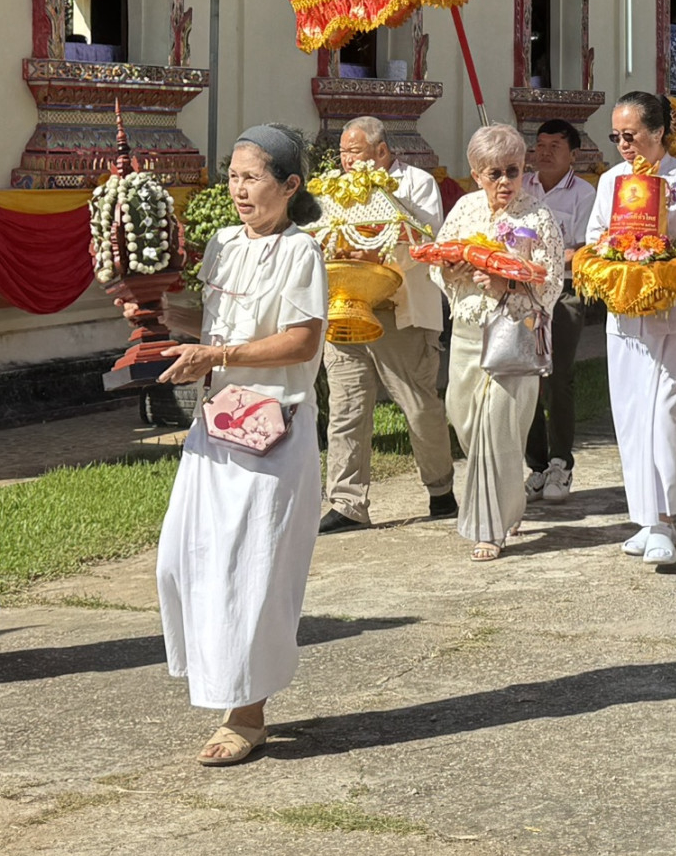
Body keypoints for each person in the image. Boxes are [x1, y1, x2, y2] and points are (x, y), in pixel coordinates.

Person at [155, 127, 328, 766]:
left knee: (253, 569)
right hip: (217, 421)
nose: (239, 189)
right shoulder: (222, 245)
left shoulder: (300, 251)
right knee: (182, 558)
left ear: (289, 186)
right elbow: (202, 326)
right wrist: (156, 329)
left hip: (274, 429)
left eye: (252, 177)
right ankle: (220, 681)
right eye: (232, 176)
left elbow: (302, 342)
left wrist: (219, 354)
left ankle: (247, 714)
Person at [590, 92, 676, 568]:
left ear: (660, 133)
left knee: (668, 410)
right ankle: (644, 520)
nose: (624, 145)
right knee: (631, 414)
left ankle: (666, 519)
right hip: (627, 312)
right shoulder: (610, 181)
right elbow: (594, 239)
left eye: (631, 136)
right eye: (617, 137)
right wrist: (615, 258)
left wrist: (670, 263)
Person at [433, 124, 567, 561]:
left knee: (500, 428)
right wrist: (451, 271)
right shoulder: (465, 210)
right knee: (462, 415)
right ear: (476, 174)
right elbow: (439, 261)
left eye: (513, 170)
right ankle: (508, 496)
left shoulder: (538, 216)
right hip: (468, 331)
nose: (505, 182)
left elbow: (551, 284)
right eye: (494, 173)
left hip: (513, 332)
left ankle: (488, 528)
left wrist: (506, 284)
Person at [320, 116, 455, 533]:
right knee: (346, 407)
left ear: (381, 151)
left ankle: (440, 489)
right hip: (345, 306)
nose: (347, 162)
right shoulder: (334, 186)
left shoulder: (414, 183)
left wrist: (375, 260)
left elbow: (427, 238)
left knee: (417, 405)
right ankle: (347, 502)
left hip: (402, 311)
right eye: (343, 153)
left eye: (355, 153)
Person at [524, 120, 597, 502]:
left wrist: (543, 259)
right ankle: (536, 465)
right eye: (540, 144)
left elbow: (584, 250)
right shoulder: (522, 187)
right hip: (523, 293)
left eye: (555, 145)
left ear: (573, 153)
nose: (546, 152)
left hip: (565, 292)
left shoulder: (584, 194)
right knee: (526, 377)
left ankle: (560, 463)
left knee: (558, 378)